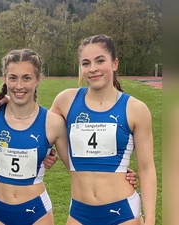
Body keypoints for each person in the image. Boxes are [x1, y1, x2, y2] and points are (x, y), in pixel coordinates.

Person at [52, 34, 156, 225]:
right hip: (79, 213)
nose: (93, 69)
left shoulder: (136, 109)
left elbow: (147, 169)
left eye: (100, 61)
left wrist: (150, 220)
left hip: (123, 214)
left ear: (115, 63)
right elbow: (36, 126)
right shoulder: (64, 102)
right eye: (85, 63)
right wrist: (5, 100)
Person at [0, 49, 70, 225]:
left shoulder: (53, 123)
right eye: (13, 78)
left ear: (38, 79)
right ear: (5, 78)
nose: (19, 86)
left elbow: (76, 166)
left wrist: (119, 174)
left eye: (26, 78)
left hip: (37, 212)